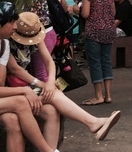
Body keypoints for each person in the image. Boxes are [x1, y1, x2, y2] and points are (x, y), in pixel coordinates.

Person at [1, 2, 84, 152]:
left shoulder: (3, 45)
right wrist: (24, 90)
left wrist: (39, 84)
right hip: (9, 96)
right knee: (21, 101)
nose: (14, 26)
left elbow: (18, 71)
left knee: (12, 120)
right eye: (11, 22)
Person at [7, 11, 121, 142]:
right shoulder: (7, 42)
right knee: (54, 94)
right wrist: (42, 84)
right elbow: (15, 69)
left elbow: (49, 61)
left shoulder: (34, 34)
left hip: (26, 85)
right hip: (14, 88)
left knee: (51, 110)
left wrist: (50, 81)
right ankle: (92, 122)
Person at [80, 0, 116, 105]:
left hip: (94, 31)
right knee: (106, 61)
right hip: (109, 30)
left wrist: (78, 9)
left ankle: (98, 96)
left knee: (95, 63)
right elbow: (113, 12)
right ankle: (108, 95)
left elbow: (85, 14)